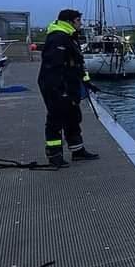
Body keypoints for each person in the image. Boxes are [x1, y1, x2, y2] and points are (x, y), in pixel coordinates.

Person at [38, 9, 99, 167]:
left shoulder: (70, 37)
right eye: (79, 20)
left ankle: (77, 151)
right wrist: (58, 90)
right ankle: (54, 155)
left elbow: (77, 64)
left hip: (69, 85)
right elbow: (53, 67)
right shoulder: (58, 38)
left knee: (73, 117)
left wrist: (87, 83)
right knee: (55, 120)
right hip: (56, 86)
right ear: (71, 21)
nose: (81, 24)